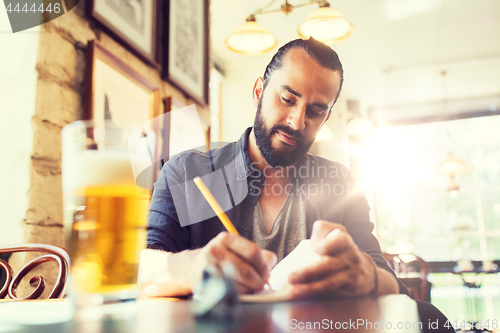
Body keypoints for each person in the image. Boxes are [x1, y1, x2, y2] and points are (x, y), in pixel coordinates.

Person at [138, 37, 403, 298]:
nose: (297, 122)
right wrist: (192, 267)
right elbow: (141, 272)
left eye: (315, 112)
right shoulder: (185, 172)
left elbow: (390, 284)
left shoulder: (342, 184)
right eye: (288, 99)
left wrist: (365, 275)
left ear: (326, 118)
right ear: (258, 92)